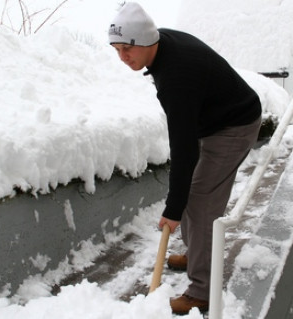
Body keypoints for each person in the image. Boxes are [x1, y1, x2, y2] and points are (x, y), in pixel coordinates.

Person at [108, 2, 262, 315]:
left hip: (234, 124)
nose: (122, 57)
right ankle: (198, 253)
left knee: (202, 200)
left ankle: (203, 291)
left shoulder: (176, 76)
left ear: (147, 42)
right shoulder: (162, 47)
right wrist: (178, 202)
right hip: (213, 120)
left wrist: (173, 209)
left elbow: (184, 147)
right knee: (193, 192)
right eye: (117, 49)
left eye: (127, 49)